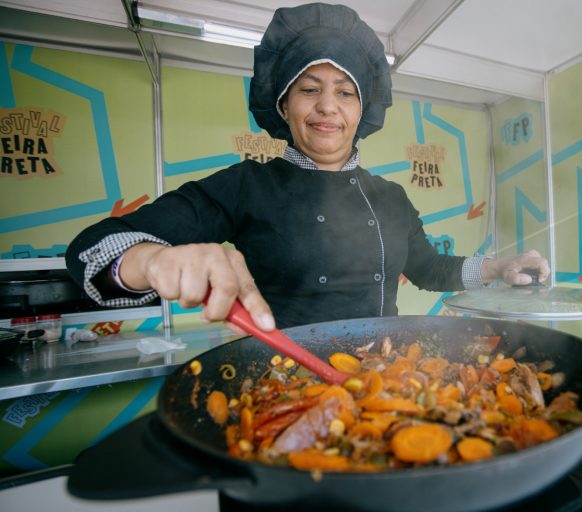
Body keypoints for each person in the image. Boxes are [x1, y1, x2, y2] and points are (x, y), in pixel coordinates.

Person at [65, 2, 550, 332]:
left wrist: (498, 267)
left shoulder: (390, 197)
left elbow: (430, 268)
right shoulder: (246, 185)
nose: (327, 107)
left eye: (345, 92)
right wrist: (153, 261)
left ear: (362, 111)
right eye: (309, 89)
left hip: (383, 378)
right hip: (284, 379)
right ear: (283, 104)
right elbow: (94, 249)